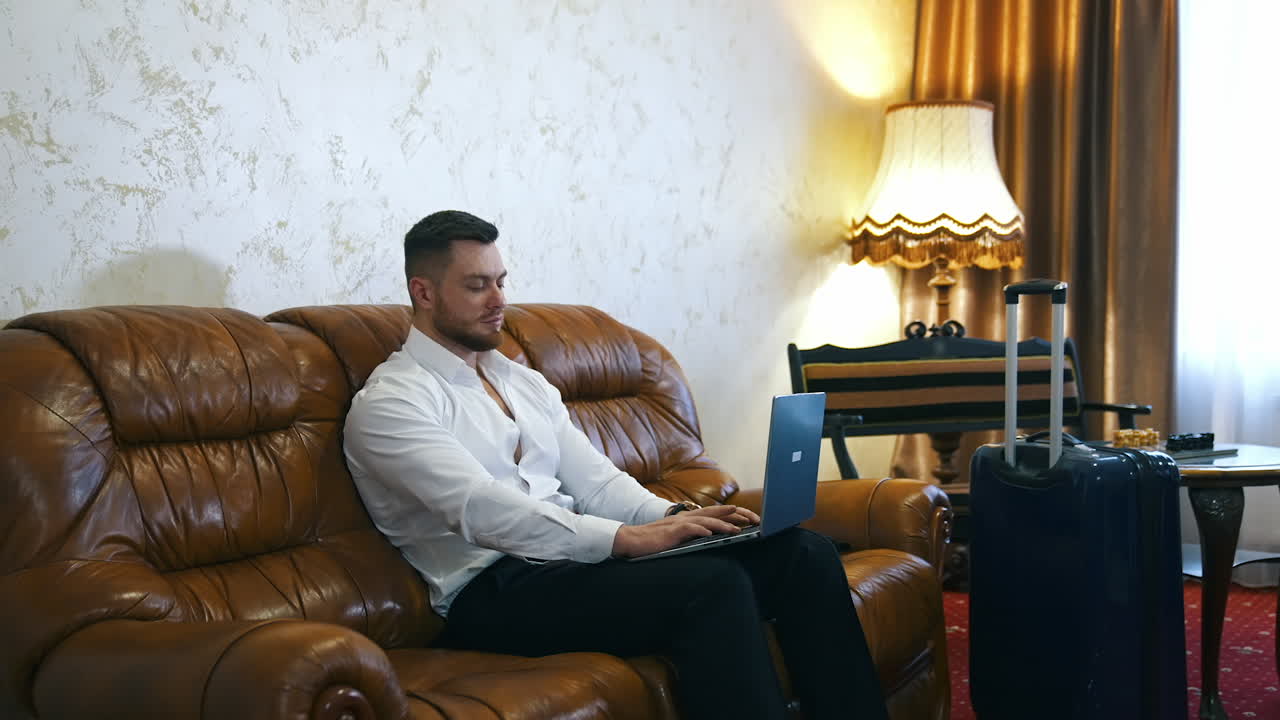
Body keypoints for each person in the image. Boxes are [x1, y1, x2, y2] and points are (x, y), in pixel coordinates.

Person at [343, 210, 889, 720]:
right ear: (424, 293)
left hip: (576, 566)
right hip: (492, 591)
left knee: (802, 552)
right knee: (712, 586)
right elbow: (481, 510)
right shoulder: (392, 402)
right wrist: (627, 539)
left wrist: (679, 520)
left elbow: (598, 482)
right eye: (477, 285)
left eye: (501, 281)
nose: (498, 299)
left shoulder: (522, 382)